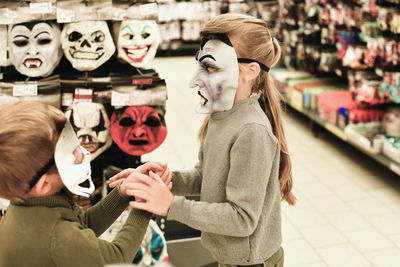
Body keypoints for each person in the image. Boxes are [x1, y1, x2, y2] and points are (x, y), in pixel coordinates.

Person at [110, 13, 296, 267]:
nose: (195, 80)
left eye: (210, 67)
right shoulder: (222, 114)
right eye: (200, 65)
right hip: (230, 257)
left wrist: (170, 205)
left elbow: (242, 219)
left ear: (251, 71)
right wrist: (163, 181)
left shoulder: (252, 131)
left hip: (252, 262)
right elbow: (206, 177)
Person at [0, 100, 171, 267]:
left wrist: (122, 193)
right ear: (44, 184)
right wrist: (144, 206)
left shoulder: (28, 206)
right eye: (67, 152)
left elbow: (81, 225)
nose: (80, 153)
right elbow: (116, 257)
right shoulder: (57, 238)